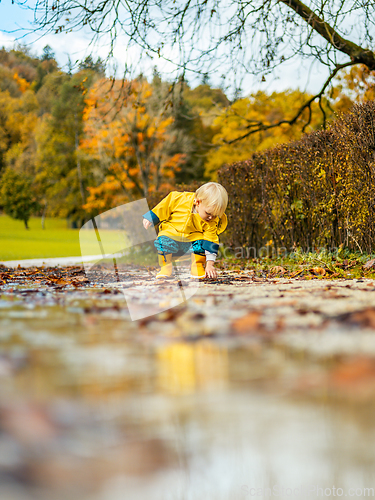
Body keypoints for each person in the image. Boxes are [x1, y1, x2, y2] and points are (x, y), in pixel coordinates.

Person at [143, 182, 228, 279]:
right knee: (163, 240)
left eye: (215, 215)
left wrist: (210, 265)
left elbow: (211, 241)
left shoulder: (212, 221)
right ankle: (166, 268)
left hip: (192, 242)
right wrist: (151, 217)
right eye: (208, 213)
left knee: (202, 244)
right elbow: (164, 206)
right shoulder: (179, 199)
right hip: (172, 233)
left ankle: (197, 267)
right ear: (198, 202)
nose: (211, 217)